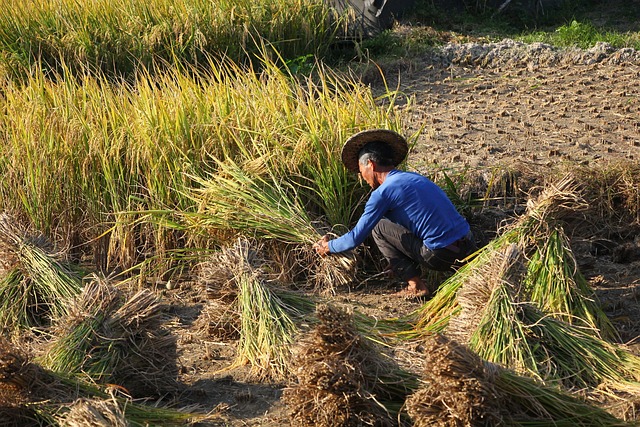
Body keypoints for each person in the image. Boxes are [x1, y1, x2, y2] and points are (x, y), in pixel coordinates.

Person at [313, 129, 475, 298]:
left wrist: (328, 247)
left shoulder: (383, 192)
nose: (363, 178)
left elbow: (355, 238)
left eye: (361, 171)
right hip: (469, 246)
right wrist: (398, 260)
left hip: (442, 255)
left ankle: (416, 285)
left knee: (378, 226)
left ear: (370, 164)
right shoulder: (414, 178)